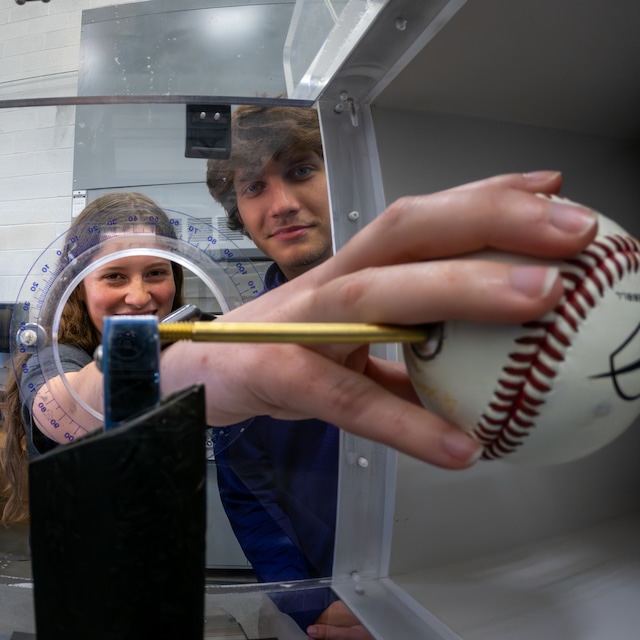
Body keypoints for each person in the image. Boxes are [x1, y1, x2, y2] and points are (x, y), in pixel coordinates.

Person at [0, 152, 597, 631]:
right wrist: (173, 369)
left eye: (155, 271)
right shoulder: (54, 357)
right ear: (78, 288)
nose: (139, 295)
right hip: (69, 588)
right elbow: (65, 410)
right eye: (114, 276)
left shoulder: (193, 331)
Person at [202, 105, 598, 639]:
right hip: (327, 604)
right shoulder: (238, 337)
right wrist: (312, 606)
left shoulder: (442, 291)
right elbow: (248, 491)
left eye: (299, 171)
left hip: (474, 592)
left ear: (339, 173)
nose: (283, 206)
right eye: (254, 188)